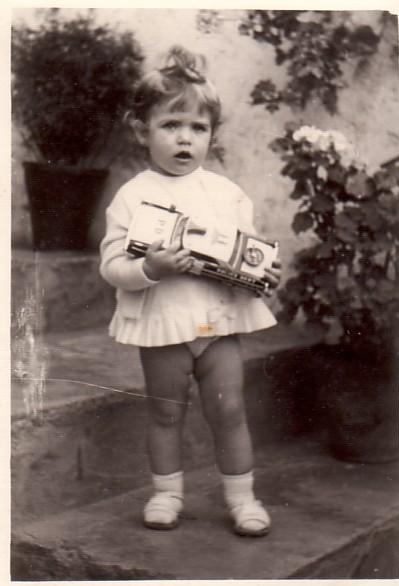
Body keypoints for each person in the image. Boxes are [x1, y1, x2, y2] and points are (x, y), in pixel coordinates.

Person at [100, 46, 282, 537]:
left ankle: (242, 499)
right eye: (171, 125)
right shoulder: (132, 196)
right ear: (142, 130)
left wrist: (263, 273)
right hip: (164, 323)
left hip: (218, 322)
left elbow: (247, 254)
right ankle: (166, 493)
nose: (185, 138)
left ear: (211, 136)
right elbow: (112, 267)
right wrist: (149, 268)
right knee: (165, 412)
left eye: (198, 128)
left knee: (229, 410)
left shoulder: (226, 194)